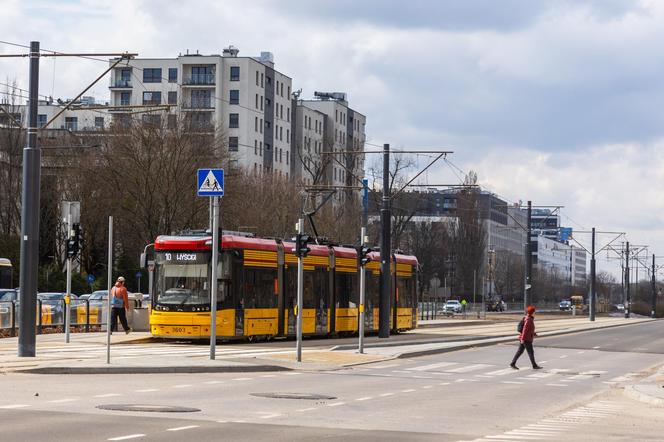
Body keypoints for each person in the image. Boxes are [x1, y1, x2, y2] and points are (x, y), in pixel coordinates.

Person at [510, 305, 542, 370]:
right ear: (532, 312)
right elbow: (525, 330)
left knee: (520, 351)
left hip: (525, 338)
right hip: (526, 339)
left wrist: (533, 333)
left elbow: (529, 330)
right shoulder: (529, 319)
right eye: (534, 312)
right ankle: (534, 365)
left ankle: (513, 363)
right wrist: (522, 339)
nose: (535, 313)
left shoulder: (528, 318)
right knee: (530, 352)